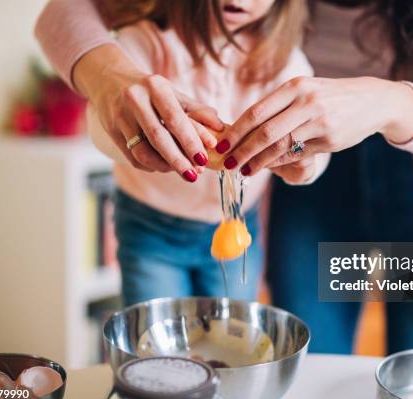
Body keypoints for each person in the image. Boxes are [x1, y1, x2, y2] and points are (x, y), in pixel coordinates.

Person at [35, 0, 413, 352]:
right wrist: (111, 81)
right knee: (308, 364)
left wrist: (385, 103)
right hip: (306, 187)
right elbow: (61, 15)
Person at [54, 0, 329, 306]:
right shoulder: (144, 42)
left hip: (238, 229)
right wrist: (141, 139)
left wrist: (307, 163)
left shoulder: (286, 61)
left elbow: (316, 134)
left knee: (233, 332)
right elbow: (99, 123)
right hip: (151, 230)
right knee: (157, 335)